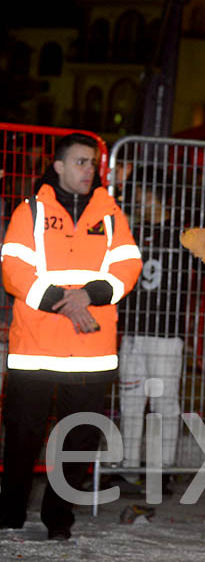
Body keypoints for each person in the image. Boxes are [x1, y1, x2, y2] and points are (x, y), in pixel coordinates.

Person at [0, 133, 142, 540]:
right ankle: (9, 513)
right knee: (23, 438)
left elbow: (127, 267)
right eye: (80, 162)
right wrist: (69, 301)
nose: (89, 170)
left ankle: (58, 519)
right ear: (58, 166)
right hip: (36, 350)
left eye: (93, 163)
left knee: (78, 441)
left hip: (90, 353)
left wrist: (88, 295)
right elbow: (14, 270)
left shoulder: (111, 215)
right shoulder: (30, 211)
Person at [116, 165, 191, 486]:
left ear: (156, 195)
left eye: (140, 192)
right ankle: (127, 466)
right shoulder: (132, 232)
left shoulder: (183, 237)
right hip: (133, 330)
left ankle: (162, 470)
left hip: (165, 334)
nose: (136, 199)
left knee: (163, 402)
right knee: (129, 400)